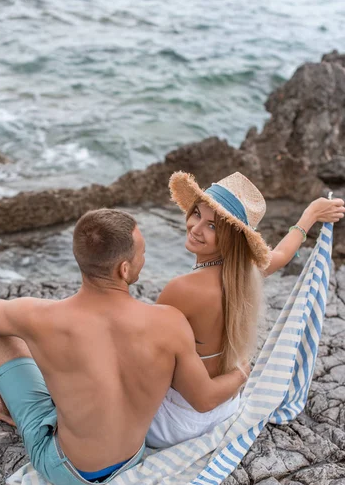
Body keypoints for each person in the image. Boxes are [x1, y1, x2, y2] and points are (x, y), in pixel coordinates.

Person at [0, 209, 248, 485]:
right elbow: (205, 399)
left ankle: (10, 408)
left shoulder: (42, 316)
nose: (143, 259)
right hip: (132, 457)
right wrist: (241, 373)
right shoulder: (169, 322)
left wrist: (9, 308)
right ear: (124, 269)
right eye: (142, 253)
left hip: (67, 469)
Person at [146, 171, 345, 448]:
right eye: (196, 214)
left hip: (177, 423)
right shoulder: (244, 276)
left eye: (213, 226)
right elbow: (283, 255)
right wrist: (309, 215)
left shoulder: (182, 290)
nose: (196, 227)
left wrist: (244, 372)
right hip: (226, 408)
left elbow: (147, 362)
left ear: (232, 238)